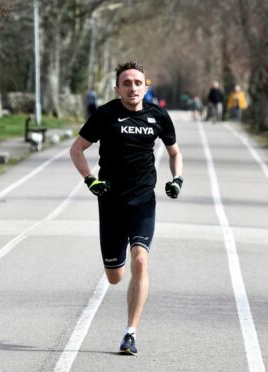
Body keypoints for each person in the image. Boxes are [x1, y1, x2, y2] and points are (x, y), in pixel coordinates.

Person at [70, 60, 184, 355]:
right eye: (126, 83)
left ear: (146, 86)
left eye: (137, 82)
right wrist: (90, 180)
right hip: (110, 202)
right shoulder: (106, 114)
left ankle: (130, 333)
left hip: (143, 201)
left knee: (141, 262)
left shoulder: (158, 115)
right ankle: (115, 267)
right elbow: (77, 149)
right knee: (115, 276)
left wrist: (177, 179)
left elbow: (174, 152)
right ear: (117, 88)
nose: (132, 88)